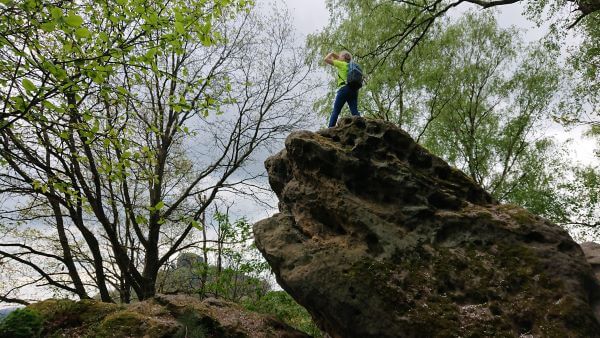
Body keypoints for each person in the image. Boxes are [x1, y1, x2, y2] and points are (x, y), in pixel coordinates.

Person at [324, 50, 361, 128]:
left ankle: (330, 128)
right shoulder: (350, 65)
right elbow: (341, 58)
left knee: (336, 111)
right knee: (354, 111)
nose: (338, 57)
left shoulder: (342, 64)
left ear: (343, 58)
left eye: (340, 56)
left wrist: (331, 53)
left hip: (344, 89)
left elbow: (326, 59)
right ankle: (361, 126)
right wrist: (340, 56)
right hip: (354, 90)